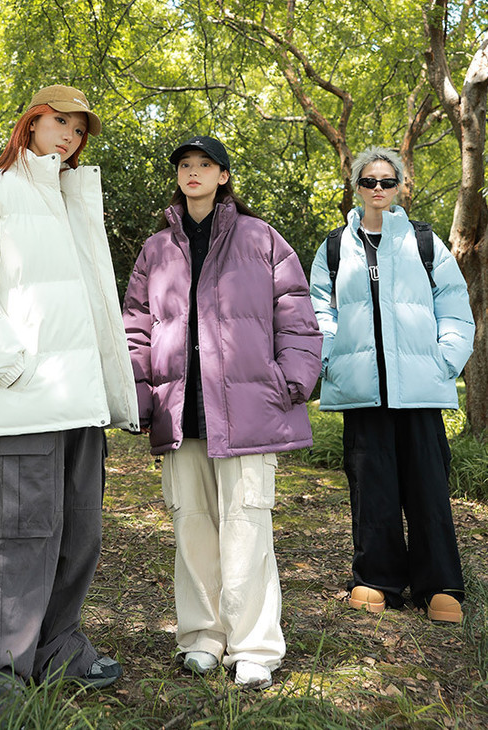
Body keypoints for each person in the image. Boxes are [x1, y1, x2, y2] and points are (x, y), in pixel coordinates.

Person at [0, 85, 139, 703]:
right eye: (60, 122)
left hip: (82, 401)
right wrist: (6, 363)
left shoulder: (76, 197)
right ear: (31, 122)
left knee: (79, 535)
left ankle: (55, 648)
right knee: (15, 539)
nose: (69, 136)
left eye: (79, 129)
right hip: (27, 399)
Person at [122, 136, 322, 689]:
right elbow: (135, 326)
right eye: (185, 165)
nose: (193, 172)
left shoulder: (261, 238)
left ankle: (254, 647)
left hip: (248, 408)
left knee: (247, 529)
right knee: (191, 526)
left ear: (223, 175)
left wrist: (293, 379)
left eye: (205, 164)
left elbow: (296, 313)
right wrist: (139, 394)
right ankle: (202, 638)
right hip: (180, 410)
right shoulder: (156, 248)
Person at [309, 146, 474, 623]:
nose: (378, 188)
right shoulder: (335, 247)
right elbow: (318, 310)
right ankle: (376, 579)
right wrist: (330, 360)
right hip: (361, 388)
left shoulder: (424, 242)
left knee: (428, 486)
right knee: (371, 486)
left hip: (419, 386)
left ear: (400, 186)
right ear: (357, 188)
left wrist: (445, 362)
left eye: (387, 181)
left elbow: (455, 306)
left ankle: (438, 584)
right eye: (369, 181)